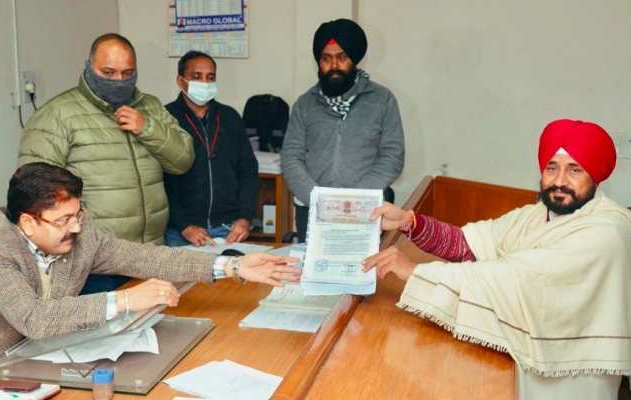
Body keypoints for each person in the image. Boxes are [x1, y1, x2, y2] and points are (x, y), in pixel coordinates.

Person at [0, 163, 299, 386]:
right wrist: (125, 299)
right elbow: (35, 318)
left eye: (78, 215)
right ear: (28, 222)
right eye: (64, 220)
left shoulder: (76, 231)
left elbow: (140, 257)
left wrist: (229, 266)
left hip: (38, 361)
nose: (76, 227)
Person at [364, 119, 630, 399]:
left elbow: (512, 280)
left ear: (596, 176)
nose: (560, 181)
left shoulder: (607, 232)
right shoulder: (536, 214)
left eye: (574, 170)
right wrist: (409, 222)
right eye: (552, 168)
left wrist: (414, 272)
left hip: (569, 384)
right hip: (518, 365)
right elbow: (470, 244)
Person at [18, 33, 194, 293]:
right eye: (108, 72)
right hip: (95, 264)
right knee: (103, 332)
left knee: (155, 330)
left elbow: (183, 161)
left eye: (127, 73)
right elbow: (34, 191)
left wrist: (147, 128)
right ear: (89, 67)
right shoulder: (58, 114)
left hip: (150, 254)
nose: (118, 81)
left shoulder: (151, 106)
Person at [281, 18, 405, 242]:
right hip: (313, 210)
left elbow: (392, 155)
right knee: (313, 275)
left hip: (366, 210)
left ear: (354, 60)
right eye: (326, 59)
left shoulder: (382, 100)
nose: (334, 66)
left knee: (363, 272)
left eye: (342, 57)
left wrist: (354, 200)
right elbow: (291, 157)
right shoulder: (305, 104)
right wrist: (318, 199)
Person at [163, 51, 259, 246]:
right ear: (180, 81)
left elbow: (248, 170)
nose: (204, 83)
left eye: (210, 77)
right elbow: (158, 181)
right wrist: (183, 225)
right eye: (196, 77)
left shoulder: (229, 117)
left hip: (228, 229)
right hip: (182, 231)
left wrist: (245, 217)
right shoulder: (166, 118)